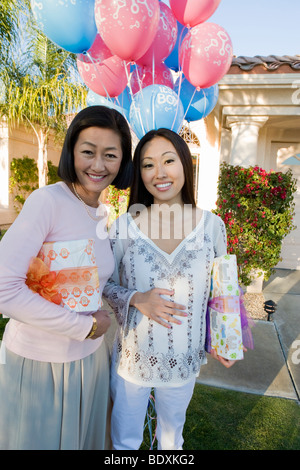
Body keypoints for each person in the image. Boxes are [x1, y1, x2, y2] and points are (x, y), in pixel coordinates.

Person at [0, 105, 133, 450]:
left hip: (90, 362)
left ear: (123, 162)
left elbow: (90, 285)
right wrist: (84, 327)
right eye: (88, 152)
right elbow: (4, 289)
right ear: (72, 150)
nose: (98, 165)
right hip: (41, 365)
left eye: (110, 155)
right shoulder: (48, 201)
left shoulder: (101, 212)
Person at [103, 128, 243, 451]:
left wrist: (227, 340)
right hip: (132, 361)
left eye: (169, 160)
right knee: (124, 442)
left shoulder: (212, 226)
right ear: (139, 173)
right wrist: (136, 298)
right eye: (148, 165)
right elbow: (102, 284)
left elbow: (224, 289)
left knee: (171, 441)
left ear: (185, 164)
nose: (160, 173)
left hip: (183, 359)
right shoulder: (125, 226)